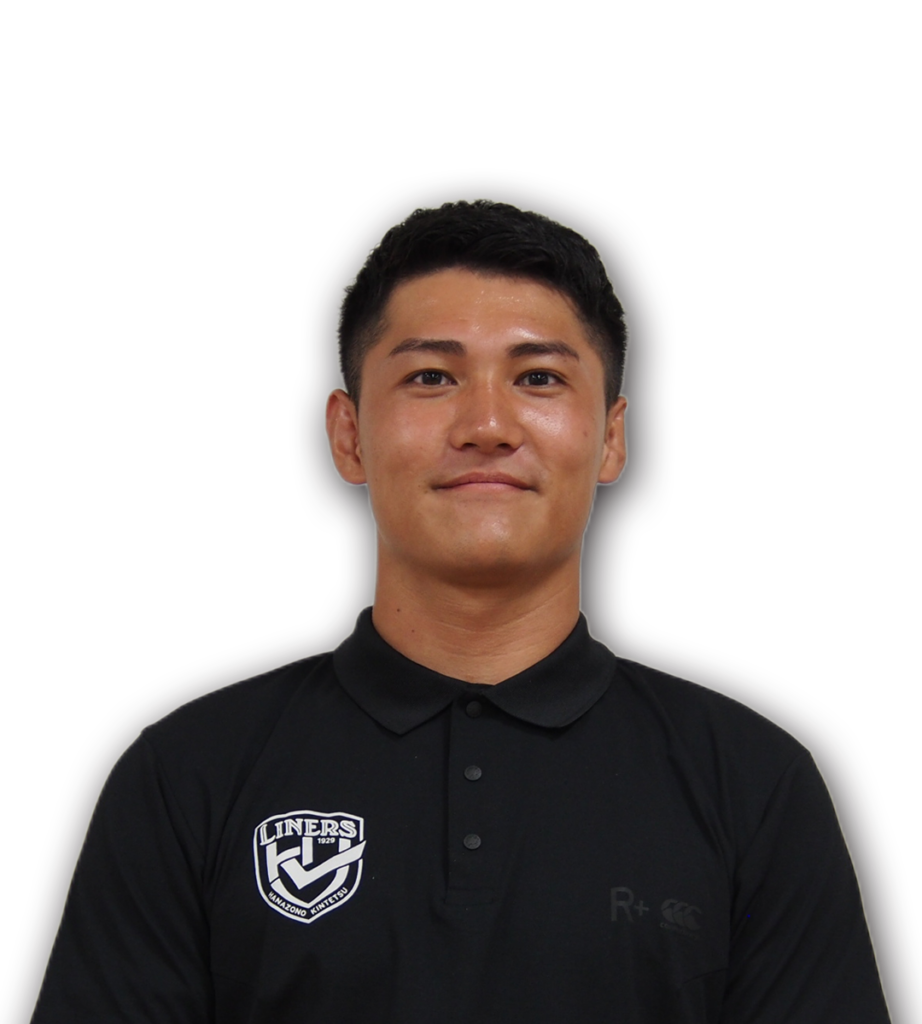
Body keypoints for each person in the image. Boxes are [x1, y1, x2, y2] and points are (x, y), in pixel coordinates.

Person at [31, 200, 890, 1023]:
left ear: (611, 437)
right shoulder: (187, 778)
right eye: (432, 377)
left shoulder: (753, 786)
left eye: (539, 377)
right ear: (349, 435)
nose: (486, 424)